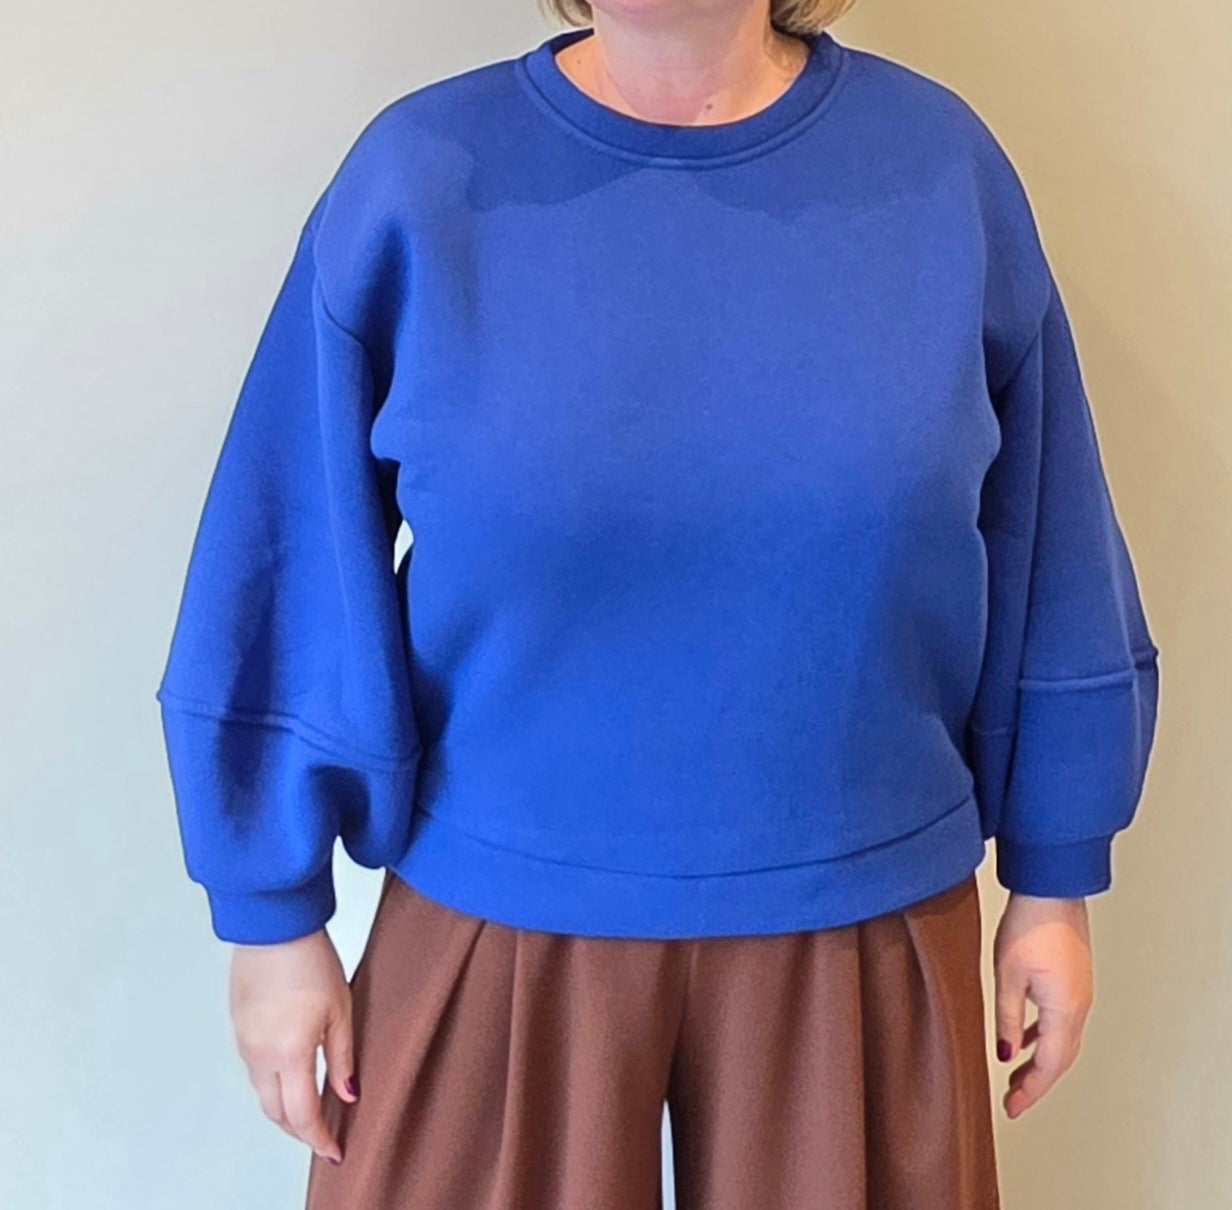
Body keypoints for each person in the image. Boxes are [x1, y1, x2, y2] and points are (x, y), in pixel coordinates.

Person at [154, 1, 1162, 1206]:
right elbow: (291, 541)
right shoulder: (419, 180)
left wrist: (1052, 876)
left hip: (858, 916)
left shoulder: (938, 172)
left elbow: (1049, 533)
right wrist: (272, 918)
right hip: (498, 920)